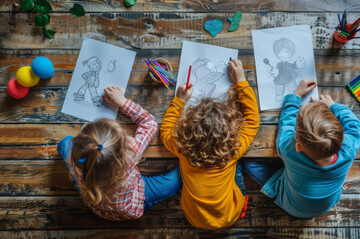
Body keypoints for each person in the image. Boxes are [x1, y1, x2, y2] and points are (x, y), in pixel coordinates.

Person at [160, 59, 260, 229]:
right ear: (230, 130)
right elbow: (252, 121)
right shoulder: (233, 149)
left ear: (188, 128)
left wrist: (180, 100)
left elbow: (165, 130)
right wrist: (241, 81)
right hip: (230, 215)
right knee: (238, 164)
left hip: (194, 218)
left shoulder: (182, 148)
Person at [242, 79, 360, 218]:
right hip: (323, 206)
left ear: (298, 146)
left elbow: (287, 124)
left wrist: (296, 96)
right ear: (341, 138)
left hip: (290, 204)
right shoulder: (348, 149)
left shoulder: (289, 149)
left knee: (249, 161)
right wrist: (333, 106)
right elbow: (355, 125)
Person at [57, 86, 182, 220]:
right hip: (135, 201)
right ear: (124, 145)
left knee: (65, 143)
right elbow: (150, 123)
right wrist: (123, 102)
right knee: (181, 176)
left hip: (98, 203)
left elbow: (84, 138)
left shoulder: (77, 164)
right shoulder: (130, 152)